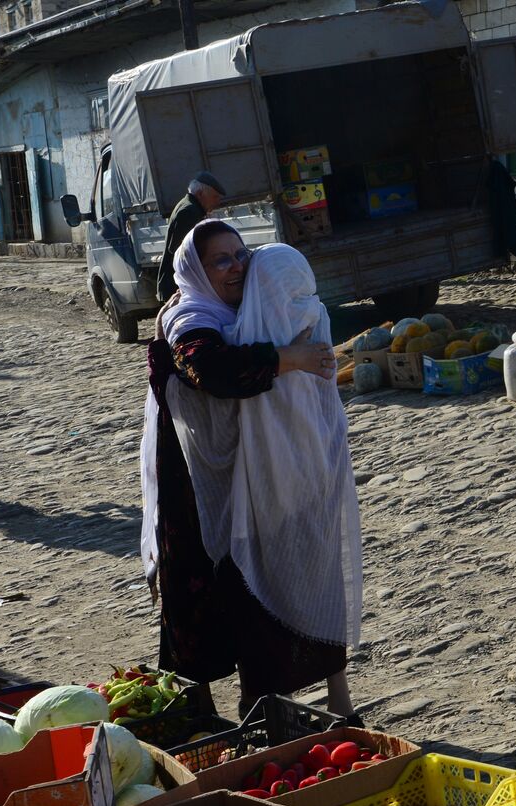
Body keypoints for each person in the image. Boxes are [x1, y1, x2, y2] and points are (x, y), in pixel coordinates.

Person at [140, 219, 360, 717]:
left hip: (257, 469)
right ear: (196, 269)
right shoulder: (189, 316)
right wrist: (292, 358)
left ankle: (264, 699)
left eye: (241, 254)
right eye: (221, 260)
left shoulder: (254, 311)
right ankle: (200, 710)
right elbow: (211, 370)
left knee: (271, 573)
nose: (237, 266)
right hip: (198, 476)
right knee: (207, 583)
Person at [156, 172, 225, 303]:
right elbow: (182, 252)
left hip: (182, 286)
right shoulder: (189, 212)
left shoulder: (191, 207)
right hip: (180, 287)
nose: (218, 202)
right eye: (215, 197)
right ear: (200, 194)